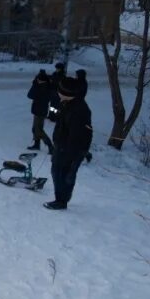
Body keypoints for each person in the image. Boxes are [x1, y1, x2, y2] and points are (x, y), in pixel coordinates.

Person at [45, 78, 93, 210]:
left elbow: (77, 136)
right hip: (61, 147)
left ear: (67, 93)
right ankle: (59, 198)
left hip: (71, 150)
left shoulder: (79, 111)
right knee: (56, 172)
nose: (58, 93)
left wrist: (69, 154)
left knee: (65, 175)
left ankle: (62, 201)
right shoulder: (67, 103)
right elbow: (61, 121)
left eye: (60, 91)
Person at [26, 69, 55, 154]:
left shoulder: (42, 87)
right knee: (35, 129)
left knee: (38, 130)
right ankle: (37, 144)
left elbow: (30, 95)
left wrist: (34, 85)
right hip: (40, 110)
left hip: (39, 110)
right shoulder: (46, 86)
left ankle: (50, 145)